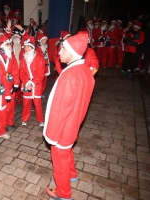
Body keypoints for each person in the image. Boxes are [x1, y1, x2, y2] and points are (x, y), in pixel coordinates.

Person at [43, 33, 95, 199]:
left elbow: (60, 110)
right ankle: (72, 174)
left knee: (59, 160)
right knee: (67, 152)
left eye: (63, 48)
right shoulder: (85, 70)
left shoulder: (70, 75)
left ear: (72, 51)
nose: (59, 52)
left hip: (63, 128)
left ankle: (63, 193)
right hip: (73, 123)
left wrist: (52, 136)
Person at [19, 36, 45, 127]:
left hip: (37, 85)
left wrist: (33, 83)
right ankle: (24, 119)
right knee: (26, 103)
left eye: (27, 46)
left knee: (37, 103)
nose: (25, 48)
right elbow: (21, 72)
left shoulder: (39, 57)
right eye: (24, 46)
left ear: (32, 47)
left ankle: (40, 120)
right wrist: (26, 82)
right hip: (27, 84)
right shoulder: (23, 58)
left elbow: (41, 73)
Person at [0, 35, 19, 130]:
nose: (9, 46)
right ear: (2, 45)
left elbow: (15, 70)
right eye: (7, 44)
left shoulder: (11, 55)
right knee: (2, 106)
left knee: (11, 105)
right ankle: (2, 124)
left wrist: (16, 83)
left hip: (10, 83)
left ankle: (10, 121)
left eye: (10, 44)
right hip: (0, 85)